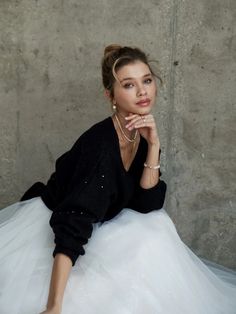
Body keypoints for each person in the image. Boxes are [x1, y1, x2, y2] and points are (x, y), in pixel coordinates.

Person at [0, 45, 235, 314]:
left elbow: (147, 204)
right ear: (111, 95)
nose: (142, 91)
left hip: (99, 220)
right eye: (128, 85)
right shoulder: (100, 147)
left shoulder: (140, 132)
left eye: (146, 80)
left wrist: (154, 145)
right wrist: (54, 306)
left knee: (154, 228)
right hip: (60, 226)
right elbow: (73, 224)